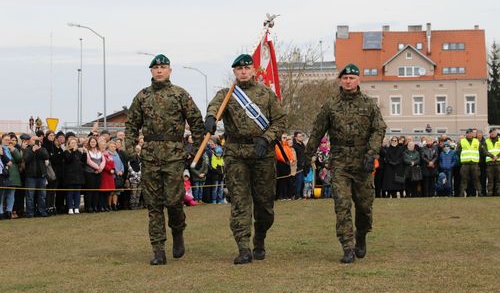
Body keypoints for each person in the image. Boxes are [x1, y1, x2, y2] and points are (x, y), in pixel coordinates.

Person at [205, 54, 286, 264]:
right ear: (234, 72)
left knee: (265, 205)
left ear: (253, 70)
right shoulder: (227, 94)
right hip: (236, 154)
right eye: (239, 69)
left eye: (247, 68)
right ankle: (243, 248)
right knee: (240, 202)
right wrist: (211, 118)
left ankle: (260, 238)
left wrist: (266, 138)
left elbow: (280, 120)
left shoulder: (266, 94)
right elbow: (214, 107)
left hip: (262, 154)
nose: (243, 71)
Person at [125, 54, 204, 265]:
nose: (159, 70)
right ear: (151, 71)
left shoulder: (179, 94)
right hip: (150, 155)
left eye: (163, 67)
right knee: (153, 205)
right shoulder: (142, 96)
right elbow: (131, 126)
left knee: (174, 202)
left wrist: (193, 149)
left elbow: (197, 122)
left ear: (170, 70)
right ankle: (158, 250)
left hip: (174, 156)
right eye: (156, 68)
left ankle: (178, 232)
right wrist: (131, 153)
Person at [305, 63, 386, 263]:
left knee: (365, 208)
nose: (348, 81)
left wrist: (372, 153)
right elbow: (317, 131)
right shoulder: (331, 105)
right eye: (345, 78)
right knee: (342, 205)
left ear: (358, 80)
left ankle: (361, 235)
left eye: (352, 78)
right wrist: (306, 157)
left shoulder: (369, 104)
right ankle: (347, 246)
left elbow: (379, 129)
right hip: (339, 161)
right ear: (341, 81)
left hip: (362, 162)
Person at [23, 136, 50, 217]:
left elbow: (46, 156)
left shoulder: (43, 149)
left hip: (41, 176)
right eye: (34, 140)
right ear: (30, 141)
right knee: (30, 196)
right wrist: (33, 151)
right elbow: (26, 159)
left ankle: (42, 211)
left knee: (42, 195)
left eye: (37, 140)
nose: (36, 141)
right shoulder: (27, 149)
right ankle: (30, 212)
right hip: (31, 176)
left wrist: (40, 149)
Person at [456, 129, 482, 197]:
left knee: (476, 178)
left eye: (471, 133)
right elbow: (458, 151)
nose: (470, 134)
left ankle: (479, 192)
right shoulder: (462, 141)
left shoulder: (477, 141)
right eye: (468, 133)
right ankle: (462, 193)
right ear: (466, 134)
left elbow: (480, 150)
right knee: (464, 179)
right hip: (465, 163)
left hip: (474, 163)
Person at [63, 138, 85, 214]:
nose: (74, 144)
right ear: (68, 144)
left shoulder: (79, 152)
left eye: (75, 143)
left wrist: (84, 153)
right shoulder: (66, 152)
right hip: (70, 176)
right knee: (70, 193)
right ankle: (70, 207)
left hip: (78, 175)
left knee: (77, 193)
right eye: (72, 143)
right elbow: (69, 159)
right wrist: (73, 151)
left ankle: (76, 207)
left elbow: (83, 161)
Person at [481, 128, 500, 196]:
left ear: (496, 133)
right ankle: (490, 193)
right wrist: (492, 156)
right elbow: (484, 151)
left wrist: (497, 156)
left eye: (494, 132)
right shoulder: (486, 141)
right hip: (490, 163)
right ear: (489, 133)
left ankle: (499, 192)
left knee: (499, 179)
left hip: (499, 162)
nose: (492, 134)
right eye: (491, 133)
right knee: (490, 179)